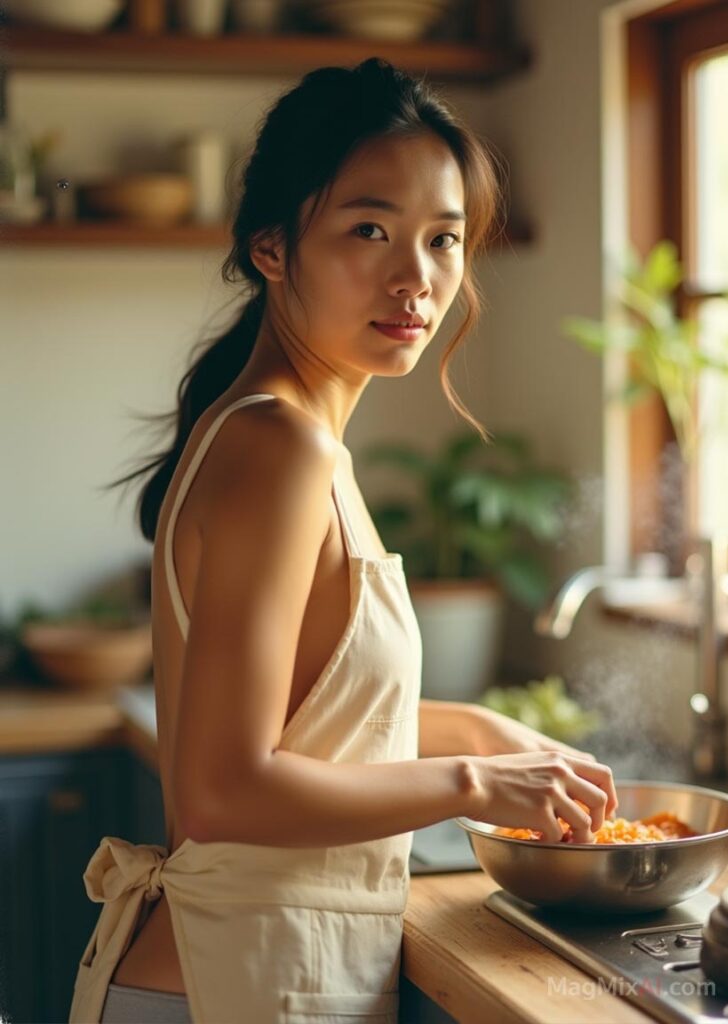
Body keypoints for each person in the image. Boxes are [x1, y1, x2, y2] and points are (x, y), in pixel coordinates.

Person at [70, 57, 617, 1024]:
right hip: (229, 986)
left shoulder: (291, 437)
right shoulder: (278, 445)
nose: (416, 278)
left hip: (245, 977)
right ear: (274, 248)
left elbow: (311, 728)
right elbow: (221, 790)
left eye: (443, 239)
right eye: (370, 229)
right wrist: (473, 780)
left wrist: (484, 734)